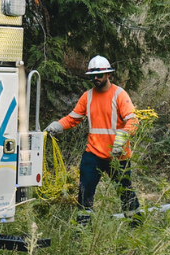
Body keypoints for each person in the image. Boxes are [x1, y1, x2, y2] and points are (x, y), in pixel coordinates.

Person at [45, 56, 140, 222]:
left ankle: (135, 225)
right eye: (92, 76)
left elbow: (133, 121)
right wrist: (57, 126)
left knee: (125, 192)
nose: (95, 78)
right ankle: (82, 228)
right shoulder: (87, 96)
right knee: (85, 192)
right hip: (93, 153)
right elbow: (73, 118)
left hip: (118, 155)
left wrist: (123, 137)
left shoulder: (119, 95)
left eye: (99, 75)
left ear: (108, 74)